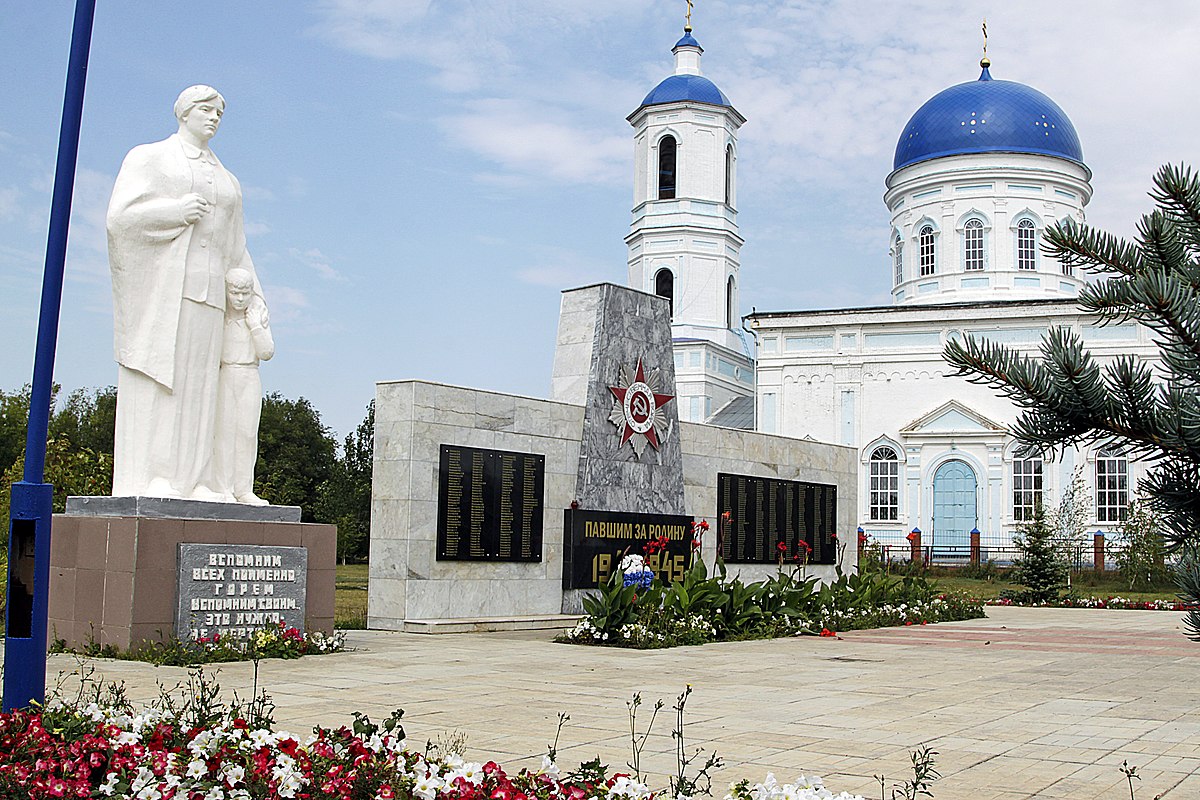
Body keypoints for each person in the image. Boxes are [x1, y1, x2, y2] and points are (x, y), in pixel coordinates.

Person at [107, 85, 266, 500]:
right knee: (168, 383)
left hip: (212, 297)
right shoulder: (151, 158)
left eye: (219, 112)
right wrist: (174, 212)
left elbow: (238, 250)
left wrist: (257, 306)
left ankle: (196, 479)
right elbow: (121, 220)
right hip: (168, 293)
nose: (213, 118)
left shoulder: (229, 181)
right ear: (183, 113)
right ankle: (160, 475)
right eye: (205, 109)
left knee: (202, 391)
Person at [212, 269, 273, 504]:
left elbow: (267, 352)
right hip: (226, 374)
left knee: (247, 434)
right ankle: (224, 486)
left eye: (244, 293)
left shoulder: (256, 318)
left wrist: (255, 326)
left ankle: (243, 488)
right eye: (234, 293)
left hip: (249, 375)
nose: (239, 298)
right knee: (225, 433)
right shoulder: (219, 320)